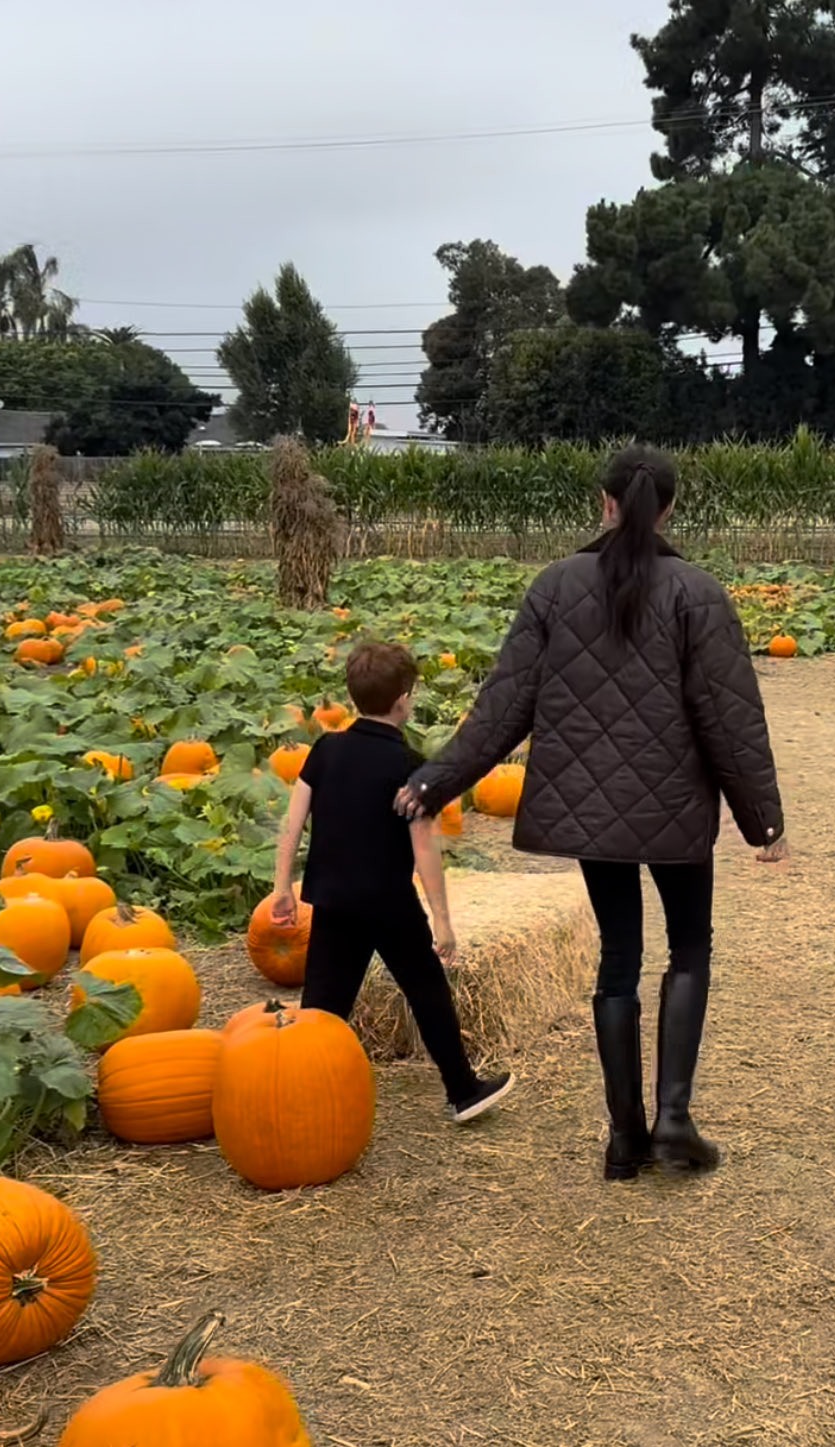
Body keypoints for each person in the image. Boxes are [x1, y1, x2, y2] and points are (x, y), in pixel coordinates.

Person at [395, 445, 786, 1180]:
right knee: (689, 945)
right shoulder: (697, 593)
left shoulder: (556, 586)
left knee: (618, 957)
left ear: (603, 504)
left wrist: (436, 781)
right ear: (668, 509)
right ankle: (674, 1120)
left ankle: (623, 1137)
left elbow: (503, 705)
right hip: (674, 810)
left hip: (591, 811)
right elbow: (728, 717)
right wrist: (760, 819)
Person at [271, 640, 514, 1125]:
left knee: (322, 1007)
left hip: (333, 898)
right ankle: (462, 1090)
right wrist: (442, 921)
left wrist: (282, 887)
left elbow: (292, 822)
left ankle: (302, 1099)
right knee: (426, 991)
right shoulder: (408, 766)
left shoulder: (326, 748)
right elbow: (424, 848)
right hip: (388, 904)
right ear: (404, 698)